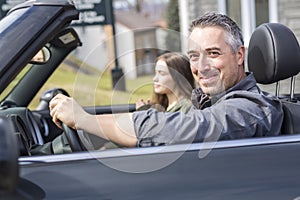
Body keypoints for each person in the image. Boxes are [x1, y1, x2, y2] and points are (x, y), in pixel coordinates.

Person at [49, 12, 283, 148]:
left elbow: (181, 130)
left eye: (213, 54)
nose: (200, 67)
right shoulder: (211, 100)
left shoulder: (252, 109)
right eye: (194, 56)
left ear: (239, 55)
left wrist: (84, 120)